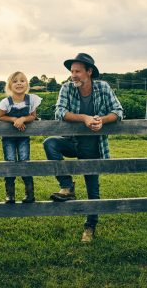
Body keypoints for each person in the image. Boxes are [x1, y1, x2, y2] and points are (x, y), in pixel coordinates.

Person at [43, 53, 123, 243]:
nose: (74, 75)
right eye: (72, 71)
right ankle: (67, 186)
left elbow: (118, 112)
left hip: (93, 146)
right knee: (50, 143)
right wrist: (84, 118)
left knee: (92, 190)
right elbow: (59, 112)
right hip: (71, 141)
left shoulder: (103, 87)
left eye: (78, 71)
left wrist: (101, 121)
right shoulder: (67, 88)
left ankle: (90, 226)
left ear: (89, 72)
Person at [0, 71, 42, 203]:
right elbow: (0, 116)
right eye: (15, 81)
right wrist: (14, 119)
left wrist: (23, 118)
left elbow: (33, 116)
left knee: (24, 161)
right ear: (10, 85)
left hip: (23, 136)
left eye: (22, 80)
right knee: (10, 161)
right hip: (8, 138)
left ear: (27, 84)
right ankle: (10, 194)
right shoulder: (6, 102)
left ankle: (29, 193)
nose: (19, 83)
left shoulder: (31, 100)